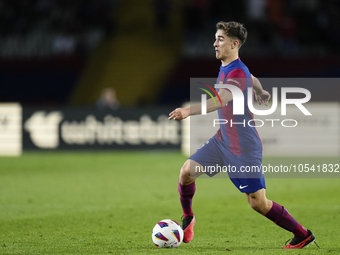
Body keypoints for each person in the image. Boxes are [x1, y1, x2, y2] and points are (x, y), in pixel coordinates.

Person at [168, 21, 317, 249]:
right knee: (186, 172)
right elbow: (253, 78)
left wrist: (188, 110)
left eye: (220, 39)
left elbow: (221, 100)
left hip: (243, 148)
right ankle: (188, 218)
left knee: (258, 203)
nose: (214, 43)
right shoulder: (231, 66)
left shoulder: (236, 71)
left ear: (234, 43)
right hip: (222, 140)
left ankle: (303, 234)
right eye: (216, 38)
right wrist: (261, 91)